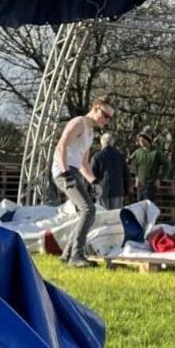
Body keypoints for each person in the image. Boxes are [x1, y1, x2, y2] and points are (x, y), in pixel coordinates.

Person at [53, 97, 114, 267]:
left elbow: (84, 164)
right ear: (95, 108)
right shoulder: (78, 122)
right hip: (63, 171)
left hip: (73, 170)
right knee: (88, 210)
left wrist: (94, 182)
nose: (106, 120)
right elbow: (61, 147)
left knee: (85, 213)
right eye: (105, 115)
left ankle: (67, 255)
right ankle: (76, 257)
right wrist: (65, 173)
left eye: (110, 118)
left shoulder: (90, 132)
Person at [89, 132, 128, 210]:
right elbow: (126, 175)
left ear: (101, 143)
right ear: (112, 143)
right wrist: (126, 191)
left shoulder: (97, 156)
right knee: (116, 216)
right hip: (118, 190)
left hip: (102, 191)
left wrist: (90, 191)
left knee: (104, 216)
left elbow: (91, 175)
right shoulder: (120, 156)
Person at [130, 132, 169, 203]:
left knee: (149, 205)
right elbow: (134, 164)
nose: (140, 142)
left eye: (142, 140)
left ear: (147, 140)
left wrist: (160, 178)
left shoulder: (156, 152)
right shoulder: (138, 152)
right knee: (139, 205)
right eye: (139, 140)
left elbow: (166, 164)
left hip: (151, 183)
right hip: (140, 184)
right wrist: (137, 177)